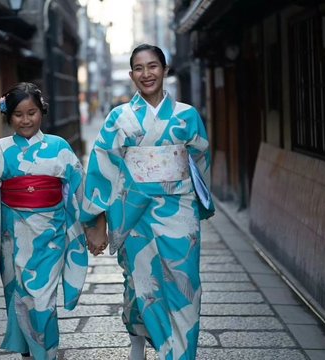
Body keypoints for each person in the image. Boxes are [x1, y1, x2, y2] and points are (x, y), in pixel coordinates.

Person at [82, 44, 211, 359]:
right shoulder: (119, 118)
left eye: (153, 66)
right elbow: (102, 167)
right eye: (139, 68)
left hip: (179, 210)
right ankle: (139, 345)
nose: (146, 74)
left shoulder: (187, 116)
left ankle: (180, 354)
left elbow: (200, 161)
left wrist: (199, 201)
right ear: (130, 75)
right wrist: (97, 220)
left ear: (165, 70)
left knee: (186, 284)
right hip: (135, 213)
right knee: (141, 283)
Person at [0, 82, 88, 360]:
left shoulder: (59, 147)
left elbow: (80, 188)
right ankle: (31, 353)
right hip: (12, 237)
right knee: (19, 298)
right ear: (8, 117)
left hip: (51, 235)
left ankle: (47, 352)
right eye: (18, 114)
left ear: (41, 112)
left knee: (42, 300)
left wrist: (94, 226)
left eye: (31, 112)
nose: (25, 120)